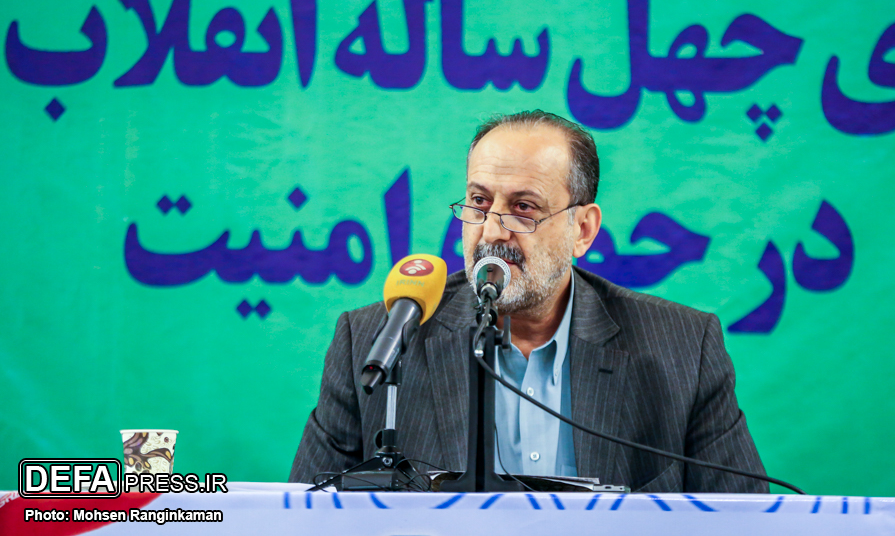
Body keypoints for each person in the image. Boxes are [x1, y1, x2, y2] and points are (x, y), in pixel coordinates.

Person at [290, 110, 768, 492]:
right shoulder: (376, 340)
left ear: (582, 230)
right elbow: (302, 518)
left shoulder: (683, 348)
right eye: (479, 202)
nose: (492, 232)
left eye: (523, 208)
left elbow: (746, 524)